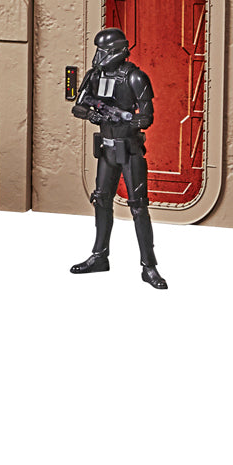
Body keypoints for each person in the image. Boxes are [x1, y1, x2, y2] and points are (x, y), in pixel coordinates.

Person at [70, 27, 168, 289]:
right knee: (101, 200)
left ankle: (149, 266)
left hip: (129, 149)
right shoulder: (94, 76)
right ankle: (99, 256)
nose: (99, 56)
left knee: (138, 206)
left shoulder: (135, 78)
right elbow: (78, 106)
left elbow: (146, 117)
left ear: (117, 51)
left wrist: (127, 120)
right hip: (106, 149)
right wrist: (93, 114)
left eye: (104, 51)